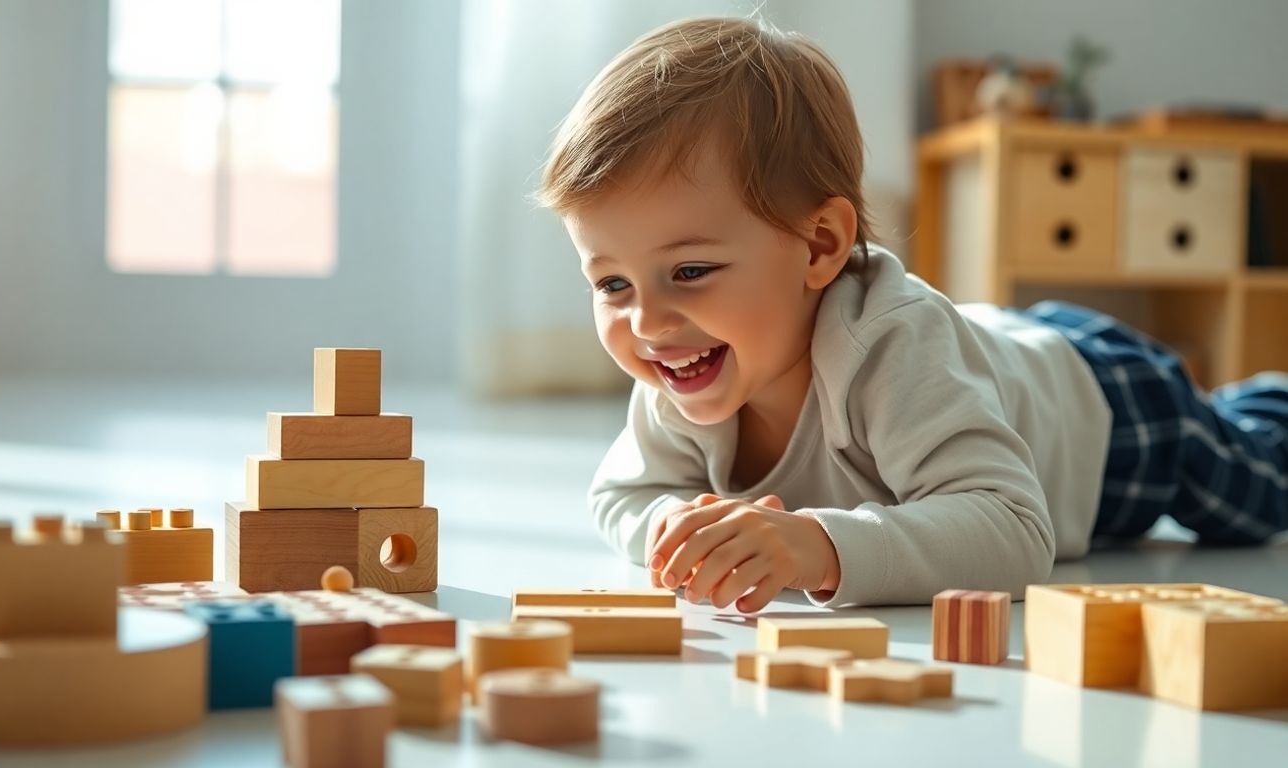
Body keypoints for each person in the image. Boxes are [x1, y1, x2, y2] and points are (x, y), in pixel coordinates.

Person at [535, 16, 1288, 610]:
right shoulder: (680, 362)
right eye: (612, 286)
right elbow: (621, 496)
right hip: (988, 350)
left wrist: (817, 548)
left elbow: (1015, 530)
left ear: (819, 245)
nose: (648, 323)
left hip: (1108, 411)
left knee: (1256, 487)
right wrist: (671, 527)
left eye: (690, 271)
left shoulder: (886, 348)